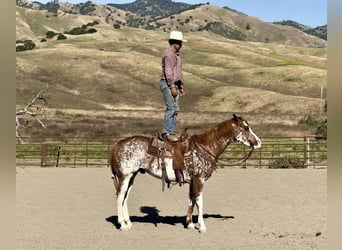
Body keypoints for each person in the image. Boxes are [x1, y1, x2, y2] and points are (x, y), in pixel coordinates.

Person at [160, 31, 187, 142]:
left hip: (175, 84)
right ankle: (166, 132)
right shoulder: (169, 54)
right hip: (168, 83)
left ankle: (172, 131)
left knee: (175, 109)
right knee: (171, 108)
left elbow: (177, 72)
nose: (181, 45)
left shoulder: (177, 56)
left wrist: (180, 86)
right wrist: (172, 86)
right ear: (174, 42)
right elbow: (168, 72)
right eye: (180, 43)